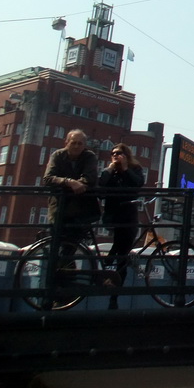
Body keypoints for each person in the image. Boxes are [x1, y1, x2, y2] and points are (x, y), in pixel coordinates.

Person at [98, 143, 145, 309]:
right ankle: (109, 284)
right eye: (113, 154)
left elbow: (138, 184)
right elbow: (100, 187)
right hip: (114, 215)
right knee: (121, 252)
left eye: (118, 153)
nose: (115, 156)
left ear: (126, 155)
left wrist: (125, 169)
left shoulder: (134, 169)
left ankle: (112, 290)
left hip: (129, 215)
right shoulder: (110, 172)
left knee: (121, 253)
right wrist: (110, 169)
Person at [43, 129, 101, 241]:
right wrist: (69, 182)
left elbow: (90, 178)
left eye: (80, 143)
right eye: (73, 143)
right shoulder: (57, 155)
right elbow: (48, 178)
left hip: (81, 207)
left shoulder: (89, 156)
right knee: (56, 241)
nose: (76, 146)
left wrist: (79, 183)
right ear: (66, 143)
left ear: (84, 145)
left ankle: (68, 257)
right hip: (60, 206)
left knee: (74, 241)